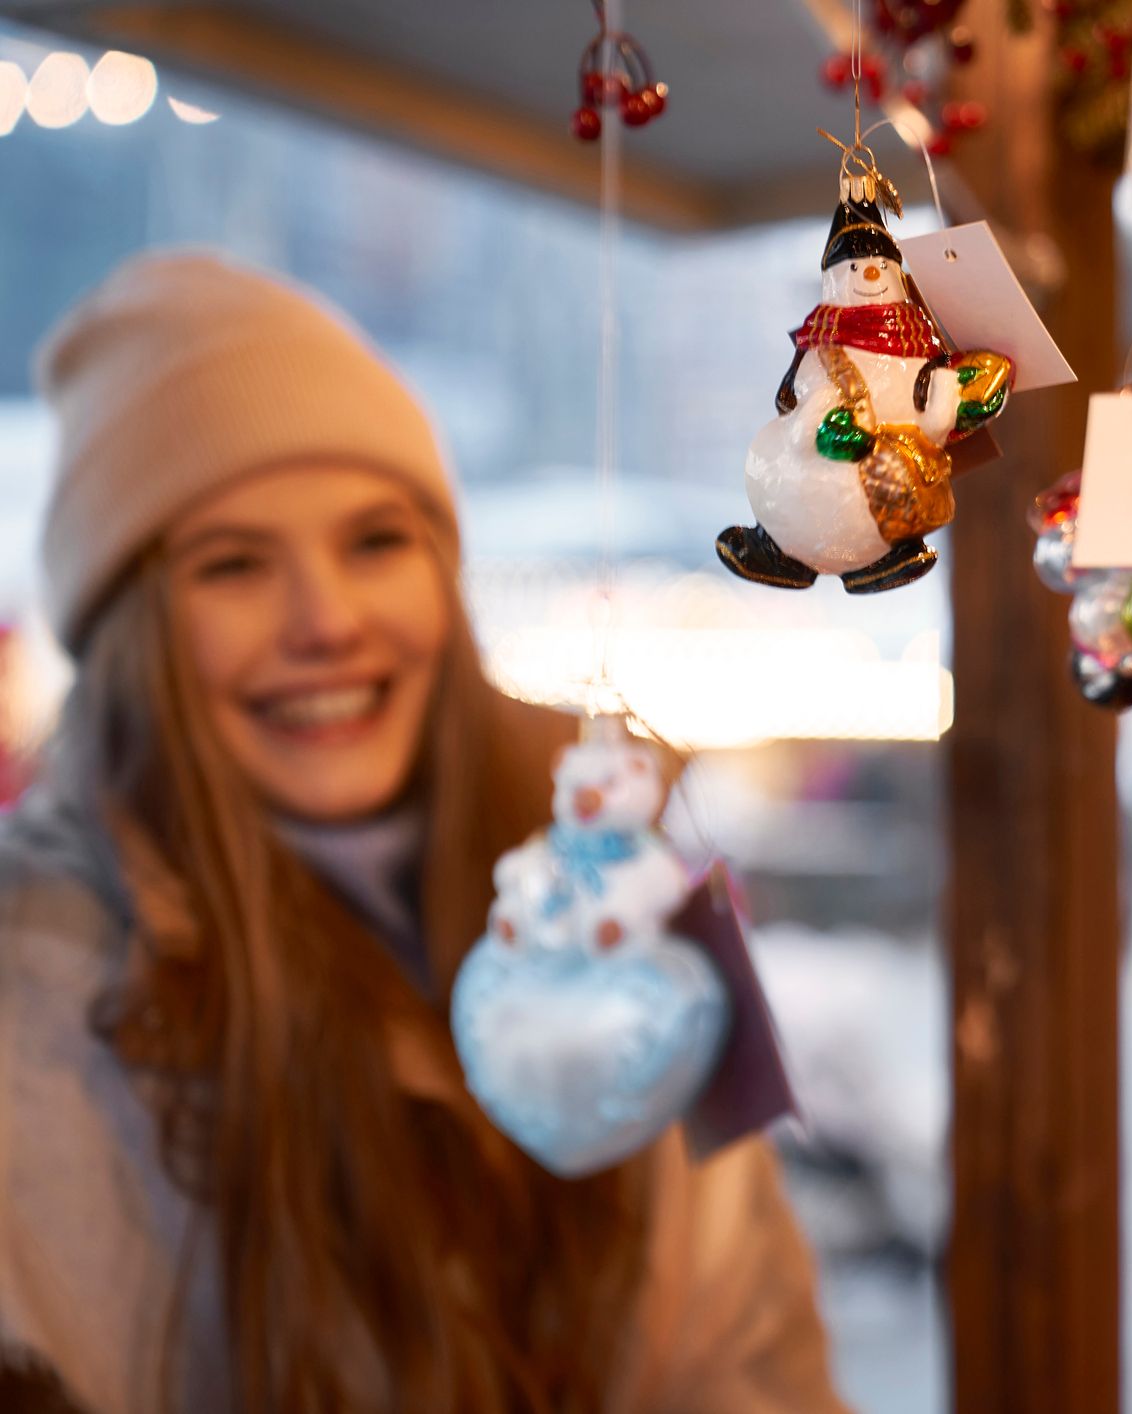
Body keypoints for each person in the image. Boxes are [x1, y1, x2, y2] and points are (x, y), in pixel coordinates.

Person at [0, 252, 849, 1414]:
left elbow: (758, 1348)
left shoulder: (629, 885)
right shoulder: (30, 984)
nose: (327, 622)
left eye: (375, 542)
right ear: (131, 635)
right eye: (233, 565)